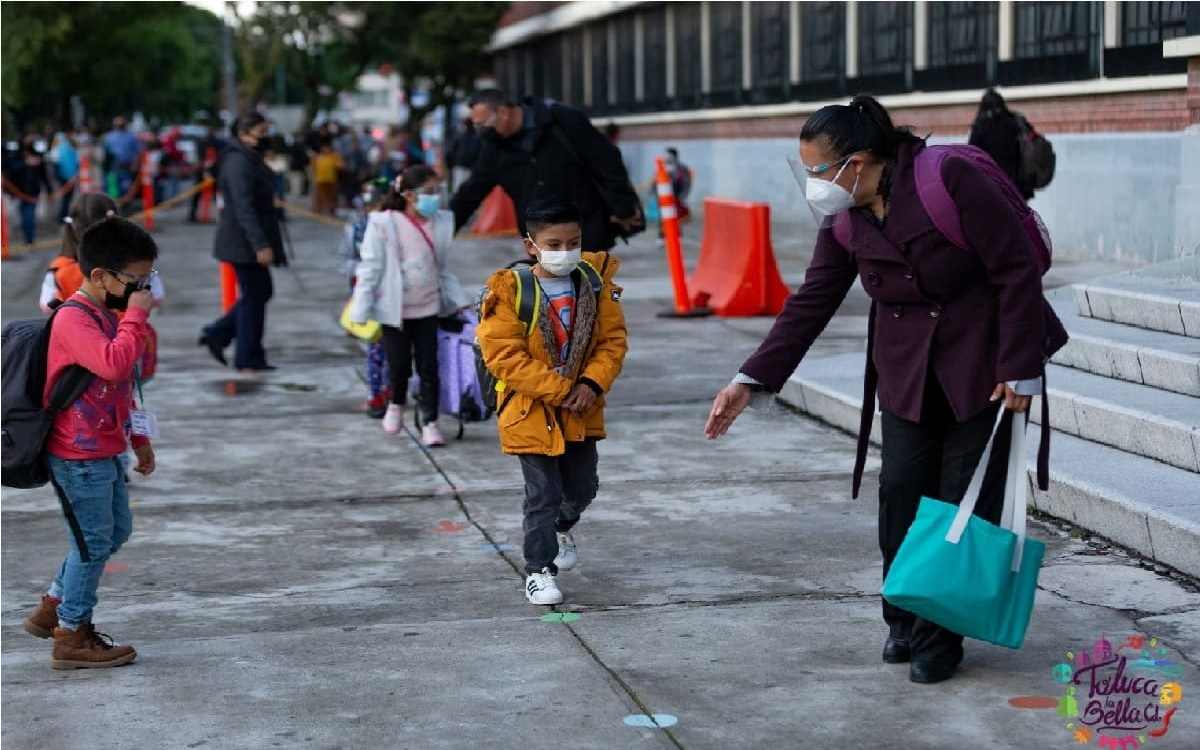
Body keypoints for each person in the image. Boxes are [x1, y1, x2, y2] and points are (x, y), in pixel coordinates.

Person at [704, 95, 1066, 684]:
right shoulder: (846, 218)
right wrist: (752, 378)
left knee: (957, 505)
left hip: (984, 366)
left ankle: (938, 637)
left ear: (860, 160)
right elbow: (812, 300)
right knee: (900, 493)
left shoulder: (947, 179)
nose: (815, 182)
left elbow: (1016, 268)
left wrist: (1021, 365)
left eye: (820, 169)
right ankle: (902, 615)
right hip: (905, 373)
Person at [20, 216, 159, 670]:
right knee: (92, 544)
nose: (142, 290)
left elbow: (126, 385)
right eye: (135, 281)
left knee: (113, 532)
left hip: (104, 451)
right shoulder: (75, 319)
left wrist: (139, 439)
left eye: (147, 280)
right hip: (76, 455)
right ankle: (71, 634)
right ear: (99, 276)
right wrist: (136, 315)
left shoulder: (106, 314)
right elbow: (115, 364)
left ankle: (52, 606)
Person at [475, 199, 629, 606]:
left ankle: (564, 525)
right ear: (532, 246)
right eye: (554, 243)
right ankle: (539, 571)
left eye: (573, 242)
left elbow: (612, 342)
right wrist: (561, 390)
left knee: (582, 486)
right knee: (541, 493)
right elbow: (504, 356)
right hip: (532, 409)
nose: (565, 251)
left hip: (582, 406)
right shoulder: (509, 291)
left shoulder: (595, 283)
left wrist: (591, 385)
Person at [451, 89, 644, 250]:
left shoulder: (561, 121)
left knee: (588, 291)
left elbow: (606, 161)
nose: (481, 131)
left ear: (503, 112)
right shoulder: (494, 149)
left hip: (585, 231)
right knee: (549, 294)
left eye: (483, 124)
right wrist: (440, 233)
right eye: (476, 126)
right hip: (540, 241)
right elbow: (470, 193)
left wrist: (623, 207)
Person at [348, 165, 453, 447]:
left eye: (437, 191)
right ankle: (396, 403)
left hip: (429, 306)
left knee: (430, 366)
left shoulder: (441, 222)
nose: (435, 198)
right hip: (395, 309)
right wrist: (361, 306)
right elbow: (370, 266)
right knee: (399, 365)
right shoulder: (384, 223)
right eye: (428, 192)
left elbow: (442, 266)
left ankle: (430, 421)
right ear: (408, 195)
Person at [198, 112, 286, 373]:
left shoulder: (247, 157)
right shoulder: (238, 161)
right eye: (261, 131)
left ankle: (223, 337)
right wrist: (260, 244)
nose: (265, 136)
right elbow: (243, 207)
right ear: (245, 132)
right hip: (242, 242)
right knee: (255, 294)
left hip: (246, 239)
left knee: (258, 293)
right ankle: (244, 354)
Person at [339, 178, 391, 419]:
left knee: (390, 349)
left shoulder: (392, 225)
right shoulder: (359, 226)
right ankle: (376, 393)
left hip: (391, 296)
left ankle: (388, 390)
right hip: (371, 293)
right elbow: (349, 259)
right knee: (375, 349)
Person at [40, 193, 119, 314]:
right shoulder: (130, 262)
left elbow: (46, 306)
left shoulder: (59, 268)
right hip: (124, 329)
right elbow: (154, 297)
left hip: (75, 329)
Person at [968, 89, 1033, 202]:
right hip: (1017, 184)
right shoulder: (1015, 122)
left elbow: (971, 153)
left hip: (993, 185)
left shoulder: (981, 126)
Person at [3, 137, 53, 245]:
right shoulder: (17, 156)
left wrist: (49, 190)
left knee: (28, 214)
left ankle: (29, 237)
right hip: (19, 190)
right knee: (24, 213)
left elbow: (44, 175)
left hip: (32, 191)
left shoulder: (38, 157)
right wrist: (26, 163)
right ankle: (28, 235)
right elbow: (10, 169)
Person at [101, 116, 141, 203]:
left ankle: (125, 208)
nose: (119, 126)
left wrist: (135, 165)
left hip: (126, 167)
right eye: (118, 124)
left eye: (121, 124)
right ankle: (115, 207)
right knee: (113, 191)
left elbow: (137, 153)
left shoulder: (131, 137)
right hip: (112, 168)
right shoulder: (108, 137)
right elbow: (104, 154)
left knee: (126, 189)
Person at [189, 124, 223, 223]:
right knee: (204, 194)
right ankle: (194, 215)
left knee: (214, 195)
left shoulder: (207, 143)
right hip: (206, 172)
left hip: (209, 172)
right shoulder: (210, 143)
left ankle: (196, 215)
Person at [51, 131, 80, 221]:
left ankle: (62, 216)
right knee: (68, 198)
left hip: (62, 177)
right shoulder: (71, 148)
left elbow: (55, 165)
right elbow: (77, 163)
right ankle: (64, 215)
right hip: (72, 177)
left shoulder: (56, 149)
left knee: (64, 198)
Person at [311, 139, 343, 215]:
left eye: (327, 148)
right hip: (320, 180)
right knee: (319, 196)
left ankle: (331, 210)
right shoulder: (317, 157)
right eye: (324, 148)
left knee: (331, 196)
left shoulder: (334, 156)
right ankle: (318, 210)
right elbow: (313, 167)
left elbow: (340, 166)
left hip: (331, 180)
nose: (326, 149)